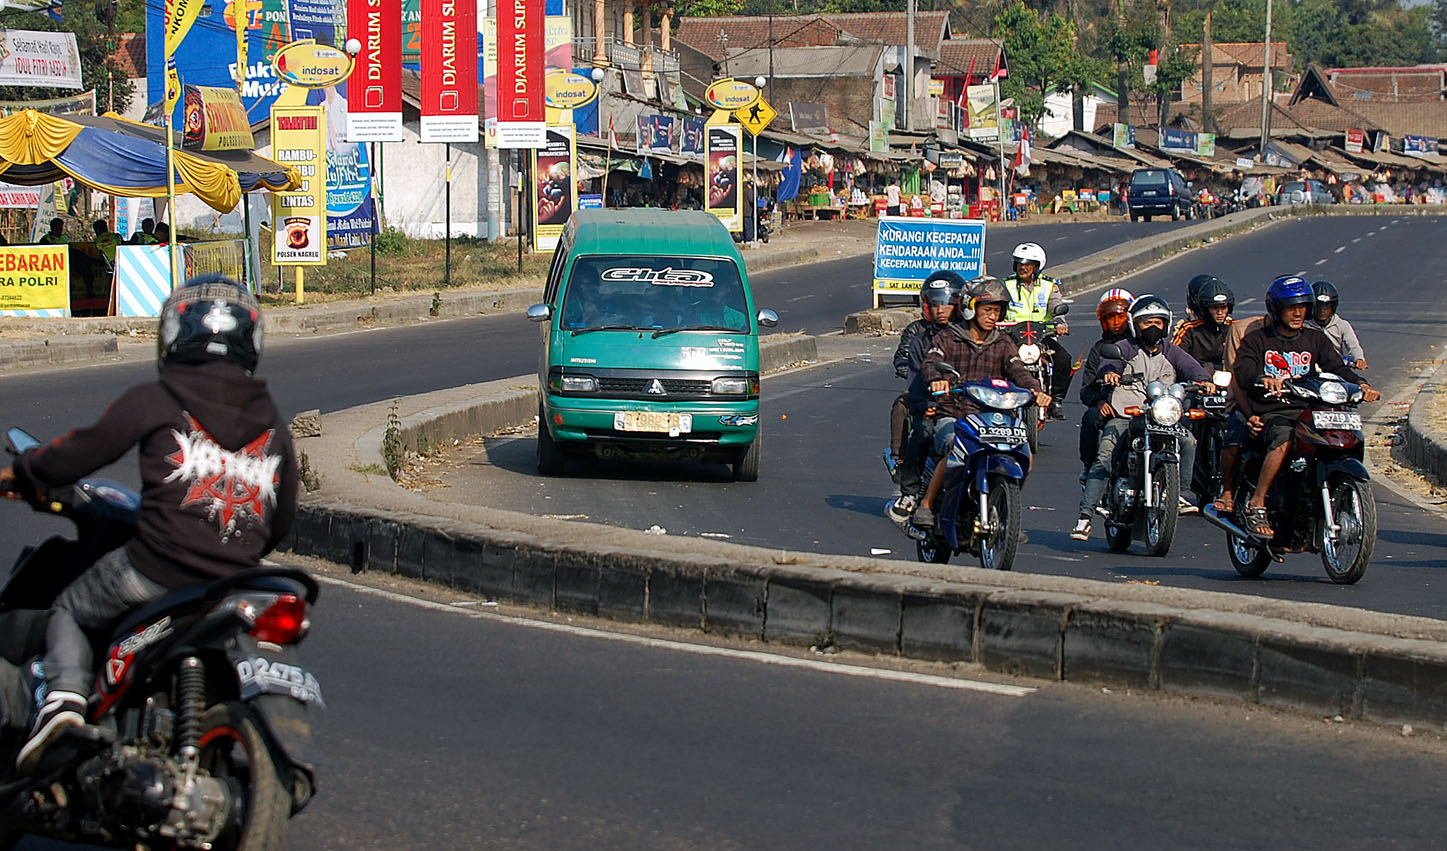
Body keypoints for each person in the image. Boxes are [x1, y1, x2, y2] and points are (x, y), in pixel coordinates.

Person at [0, 275, 299, 773]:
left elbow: (79, 453)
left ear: (173, 335)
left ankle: (64, 703)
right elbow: (282, 520)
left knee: (71, 606)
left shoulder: (159, 398)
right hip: (231, 582)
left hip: (156, 568)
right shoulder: (273, 425)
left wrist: (24, 471)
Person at [1221, 275, 1378, 536]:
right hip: (1272, 411)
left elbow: (1336, 366)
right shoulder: (1258, 340)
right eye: (1291, 307)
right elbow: (1244, 370)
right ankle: (1258, 502)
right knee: (1284, 440)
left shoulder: (1315, 339)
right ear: (1276, 308)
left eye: (1303, 307)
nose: (1298, 313)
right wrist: (1263, 378)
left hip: (1307, 409)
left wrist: (1361, 385)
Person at [909, 278, 1050, 530]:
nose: (992, 316)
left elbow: (1018, 370)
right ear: (970, 307)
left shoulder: (1003, 342)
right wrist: (937, 381)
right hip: (954, 414)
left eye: (997, 310)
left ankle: (1006, 510)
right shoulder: (948, 337)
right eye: (987, 310)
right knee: (954, 448)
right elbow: (930, 364)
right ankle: (927, 505)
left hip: (992, 419)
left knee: (1025, 455)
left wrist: (1036, 390)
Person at [1071, 295, 1210, 540]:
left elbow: (1193, 368)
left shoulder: (1172, 352)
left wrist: (1205, 382)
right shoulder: (1124, 347)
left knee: (1188, 441)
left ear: (1166, 325)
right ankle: (1085, 517)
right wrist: (1110, 374)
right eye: (1147, 323)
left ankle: (1179, 495)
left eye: (1158, 322)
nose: (1153, 327)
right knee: (1105, 455)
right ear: (1136, 325)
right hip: (1127, 414)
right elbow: (1108, 363)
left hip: (1162, 416)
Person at [888, 271, 967, 522]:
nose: (941, 309)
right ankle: (909, 491)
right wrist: (928, 404)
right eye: (935, 303)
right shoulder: (920, 338)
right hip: (934, 403)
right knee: (921, 431)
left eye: (946, 303)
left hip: (968, 405)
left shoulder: (971, 336)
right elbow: (916, 378)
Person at [1001, 242, 1072, 418]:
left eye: (1027, 264)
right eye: (1019, 263)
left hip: (1041, 335)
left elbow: (1057, 305)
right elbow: (998, 306)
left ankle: (1056, 400)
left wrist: (1060, 323)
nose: (1022, 267)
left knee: (1063, 360)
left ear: (1037, 266)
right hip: (1012, 335)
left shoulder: (1049, 286)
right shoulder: (1005, 285)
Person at [1076, 288, 1135, 481]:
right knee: (1090, 419)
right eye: (1111, 318)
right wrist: (1100, 402)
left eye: (1120, 316)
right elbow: (1086, 390)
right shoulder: (1099, 349)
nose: (1116, 322)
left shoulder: (1141, 344)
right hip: (1109, 405)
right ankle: (1089, 468)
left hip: (1140, 405)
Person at [1172, 275, 1235, 371]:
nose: (1220, 313)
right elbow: (1173, 356)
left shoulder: (1235, 327)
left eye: (1223, 307)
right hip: (1198, 379)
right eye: (1215, 308)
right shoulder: (1188, 329)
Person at [1307, 280, 1368, 370]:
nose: (1322, 310)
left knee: (1358, 384)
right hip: (1310, 368)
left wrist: (1359, 359)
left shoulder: (1342, 325)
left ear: (1333, 307)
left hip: (1335, 367)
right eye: (1318, 306)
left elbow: (1353, 346)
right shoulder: (1305, 326)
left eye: (1326, 307)